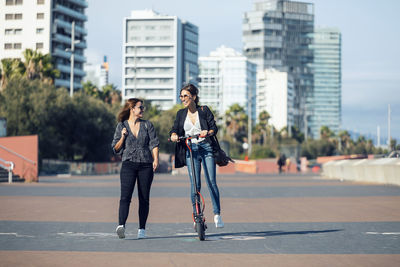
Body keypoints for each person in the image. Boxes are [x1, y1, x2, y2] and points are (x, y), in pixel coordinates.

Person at [169, 84, 224, 228]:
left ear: (193, 96)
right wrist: (174, 135)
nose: (182, 99)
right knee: (195, 184)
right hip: (190, 149)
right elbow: (174, 129)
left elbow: (214, 127)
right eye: (181, 96)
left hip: (206, 147)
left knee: (211, 180)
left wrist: (208, 132)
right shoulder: (181, 114)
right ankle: (196, 215)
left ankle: (217, 214)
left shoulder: (204, 110)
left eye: (185, 96)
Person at [111, 98, 159, 239]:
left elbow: (154, 143)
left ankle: (142, 229)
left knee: (144, 198)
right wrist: (123, 137)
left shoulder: (147, 125)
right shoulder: (121, 126)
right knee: (125, 197)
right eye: (140, 107)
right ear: (132, 109)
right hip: (128, 164)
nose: (143, 109)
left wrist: (155, 159)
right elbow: (115, 148)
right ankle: (121, 226)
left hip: (146, 164)